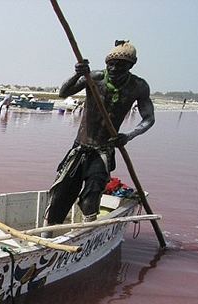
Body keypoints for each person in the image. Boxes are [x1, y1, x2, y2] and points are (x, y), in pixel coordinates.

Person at [41, 41, 154, 236]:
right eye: (112, 63)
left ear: (131, 66)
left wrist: (128, 136)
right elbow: (63, 93)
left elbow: (149, 118)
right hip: (81, 148)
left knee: (90, 198)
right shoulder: (95, 77)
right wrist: (78, 73)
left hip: (103, 151)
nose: (115, 68)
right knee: (61, 195)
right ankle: (46, 235)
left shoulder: (138, 86)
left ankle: (84, 235)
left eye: (121, 65)